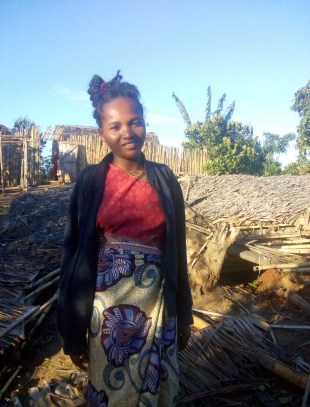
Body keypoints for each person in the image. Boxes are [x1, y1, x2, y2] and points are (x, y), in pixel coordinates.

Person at [57, 70, 193, 406]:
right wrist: (72, 330)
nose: (127, 132)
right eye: (115, 126)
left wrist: (184, 314)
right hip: (107, 315)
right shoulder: (91, 182)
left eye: (135, 122)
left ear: (145, 122)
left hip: (159, 306)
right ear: (102, 132)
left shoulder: (164, 180)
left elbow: (176, 251)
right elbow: (74, 256)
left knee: (159, 389)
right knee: (112, 391)